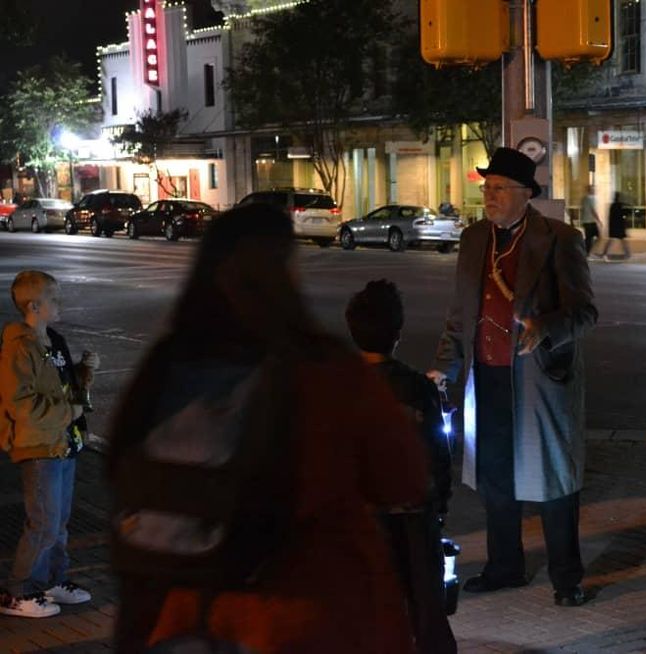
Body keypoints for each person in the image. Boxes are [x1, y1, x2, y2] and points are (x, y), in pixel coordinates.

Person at [108, 204, 427, 653]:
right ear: (284, 273)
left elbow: (117, 469)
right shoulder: (325, 370)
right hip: (306, 613)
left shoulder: (166, 363)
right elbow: (403, 478)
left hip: (181, 613)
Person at [428, 146, 597, 608]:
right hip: (486, 378)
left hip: (540, 382)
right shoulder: (474, 239)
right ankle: (505, 567)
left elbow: (585, 312)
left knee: (554, 481)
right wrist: (445, 366)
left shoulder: (559, 238)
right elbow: (460, 315)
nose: (490, 195)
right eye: (487, 187)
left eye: (500, 188)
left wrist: (545, 329)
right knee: (495, 477)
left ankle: (567, 577)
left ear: (526, 193)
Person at [345, 279, 456, 654]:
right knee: (426, 614)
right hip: (413, 519)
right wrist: (439, 508)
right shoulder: (417, 388)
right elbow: (438, 455)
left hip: (359, 522)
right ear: (397, 334)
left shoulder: (337, 388)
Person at [0, 271, 100, 618]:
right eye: (54, 298)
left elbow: (62, 385)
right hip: (39, 446)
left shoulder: (53, 340)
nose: (61, 303)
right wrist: (70, 411)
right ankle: (18, 592)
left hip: (63, 442)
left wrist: (83, 371)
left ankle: (51, 580)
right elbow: (21, 405)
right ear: (33, 306)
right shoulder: (19, 347)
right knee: (42, 522)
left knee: (59, 523)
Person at [599, 191, 630, 261]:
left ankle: (605, 253)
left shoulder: (613, 205)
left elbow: (611, 217)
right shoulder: (619, 205)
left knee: (613, 240)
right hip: (618, 226)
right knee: (621, 240)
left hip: (614, 226)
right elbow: (622, 214)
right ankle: (627, 254)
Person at [579, 185, 602, 256]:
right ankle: (589, 252)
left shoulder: (584, 199)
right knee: (597, 237)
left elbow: (582, 210)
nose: (595, 191)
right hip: (590, 221)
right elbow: (593, 210)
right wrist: (599, 220)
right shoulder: (590, 199)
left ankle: (587, 252)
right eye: (593, 189)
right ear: (590, 190)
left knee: (589, 238)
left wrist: (582, 220)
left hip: (586, 221)